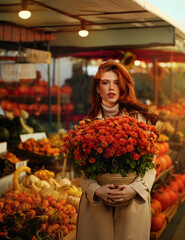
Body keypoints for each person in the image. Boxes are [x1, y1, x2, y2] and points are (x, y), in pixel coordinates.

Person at [76, 60, 158, 240]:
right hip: (97, 205)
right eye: (105, 83)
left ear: (123, 87)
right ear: (97, 89)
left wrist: (136, 189)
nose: (111, 88)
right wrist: (96, 190)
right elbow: (81, 170)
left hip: (131, 201)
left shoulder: (140, 119)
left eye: (116, 83)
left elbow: (151, 164)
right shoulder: (88, 124)